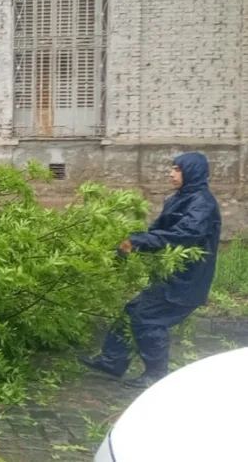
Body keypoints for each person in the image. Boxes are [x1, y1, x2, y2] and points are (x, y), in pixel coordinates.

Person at [80, 152, 222, 389]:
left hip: (187, 281)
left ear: (192, 172)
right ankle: (112, 361)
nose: (171, 173)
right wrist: (132, 245)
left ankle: (156, 375)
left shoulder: (202, 203)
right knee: (133, 310)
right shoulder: (179, 199)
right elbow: (159, 230)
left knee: (148, 319)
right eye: (173, 169)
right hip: (170, 276)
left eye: (177, 169)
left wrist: (138, 242)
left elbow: (185, 235)